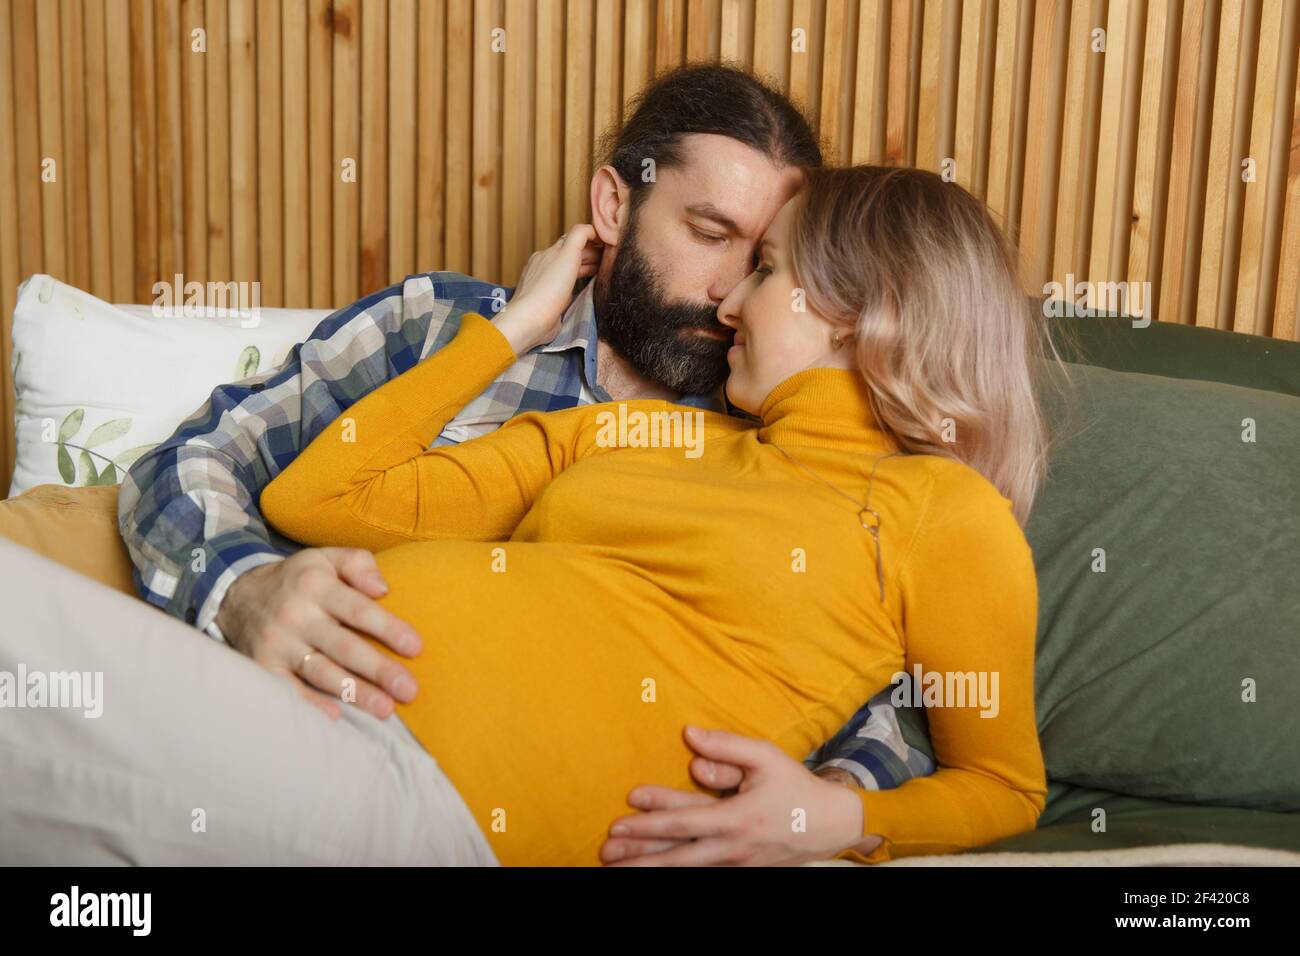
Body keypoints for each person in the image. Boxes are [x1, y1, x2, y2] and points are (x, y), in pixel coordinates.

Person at [117, 64, 934, 864]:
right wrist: (244, 591)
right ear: (615, 204)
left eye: (763, 262)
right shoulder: (434, 325)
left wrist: (817, 805)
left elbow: (887, 694)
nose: (731, 295)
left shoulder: (778, 451)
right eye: (710, 234)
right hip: (274, 740)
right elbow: (194, 460)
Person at [258, 165, 1055, 866]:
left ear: (854, 309)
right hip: (294, 695)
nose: (731, 303)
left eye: (766, 270)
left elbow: (1000, 785)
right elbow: (319, 498)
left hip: (413, 794)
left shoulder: (946, 514)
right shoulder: (645, 429)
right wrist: (516, 328)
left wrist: (834, 816)